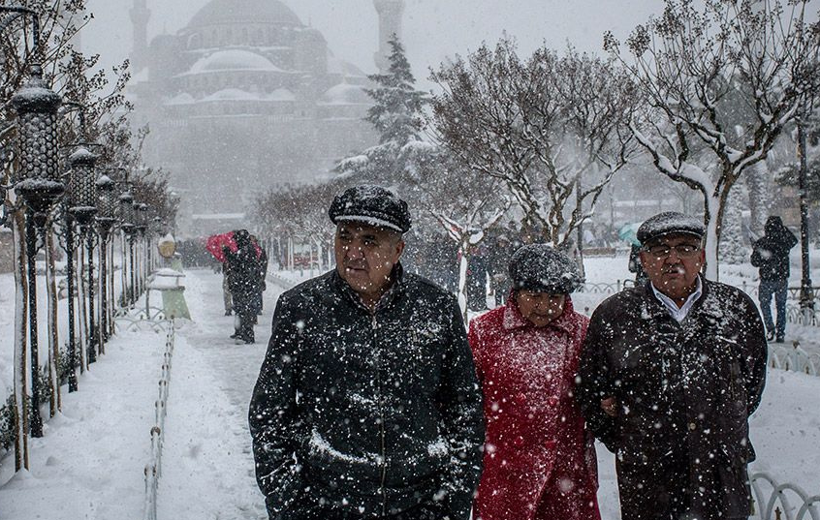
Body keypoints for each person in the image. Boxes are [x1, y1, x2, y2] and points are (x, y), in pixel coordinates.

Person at [249, 185, 485, 520]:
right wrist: (289, 503)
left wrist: (454, 502)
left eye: (369, 241)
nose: (353, 252)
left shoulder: (436, 307)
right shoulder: (301, 308)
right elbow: (269, 413)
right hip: (326, 503)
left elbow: (465, 410)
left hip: (420, 503)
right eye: (345, 237)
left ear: (398, 249)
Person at [576, 211, 768, 520]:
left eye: (685, 248)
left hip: (721, 477)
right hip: (650, 482)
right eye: (660, 250)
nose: (672, 259)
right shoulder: (615, 316)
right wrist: (633, 439)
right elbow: (591, 393)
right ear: (643, 258)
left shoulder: (736, 309)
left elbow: (751, 386)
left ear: (701, 256)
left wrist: (718, 429)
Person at [468, 244, 601, 520]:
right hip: (504, 475)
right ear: (516, 292)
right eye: (535, 295)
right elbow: (466, 401)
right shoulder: (485, 330)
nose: (544, 307)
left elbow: (598, 393)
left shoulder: (582, 332)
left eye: (555, 297)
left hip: (565, 475)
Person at [751, 216, 798, 343]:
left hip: (767, 279)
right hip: (782, 278)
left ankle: (770, 328)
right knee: (781, 306)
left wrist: (758, 252)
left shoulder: (762, 243)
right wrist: (783, 230)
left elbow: (754, 262)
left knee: (765, 304)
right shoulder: (785, 242)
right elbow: (794, 240)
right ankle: (781, 332)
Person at [225, 229, 261, 344]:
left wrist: (228, 254)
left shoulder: (246, 250)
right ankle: (242, 332)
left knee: (244, 310)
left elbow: (239, 265)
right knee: (242, 309)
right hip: (243, 285)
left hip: (244, 286)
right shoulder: (245, 249)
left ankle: (247, 333)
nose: (235, 242)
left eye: (236, 239)